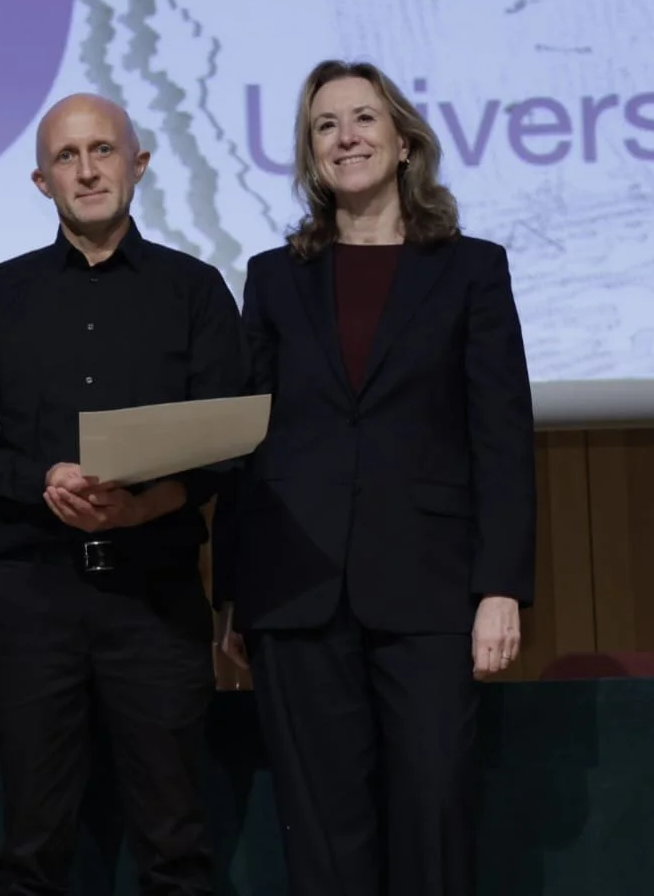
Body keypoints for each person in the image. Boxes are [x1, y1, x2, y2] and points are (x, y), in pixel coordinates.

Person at [213, 60, 537, 896]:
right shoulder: (274, 277)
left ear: (402, 144)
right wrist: (234, 593)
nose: (344, 137)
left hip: (429, 588)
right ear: (310, 153)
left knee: (434, 807)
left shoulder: (470, 269)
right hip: (294, 589)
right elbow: (247, 444)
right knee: (322, 831)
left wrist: (500, 587)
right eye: (324, 125)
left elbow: (500, 436)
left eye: (362, 119)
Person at [0, 93, 245, 896]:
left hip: (156, 596)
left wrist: (145, 505)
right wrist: (41, 481)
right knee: (32, 848)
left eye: (102, 150)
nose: (87, 170)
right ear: (42, 182)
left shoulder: (195, 290)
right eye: (66, 157)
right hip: (31, 599)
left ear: (137, 164)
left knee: (175, 845)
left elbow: (229, 444)